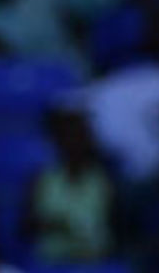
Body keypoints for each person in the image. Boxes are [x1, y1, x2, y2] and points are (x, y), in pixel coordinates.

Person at [23, 104, 116, 264]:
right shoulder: (41, 179)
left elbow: (118, 229)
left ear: (89, 139)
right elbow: (25, 227)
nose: (74, 142)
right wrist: (53, 224)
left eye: (79, 135)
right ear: (57, 141)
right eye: (67, 136)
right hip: (53, 262)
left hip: (96, 262)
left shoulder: (105, 180)